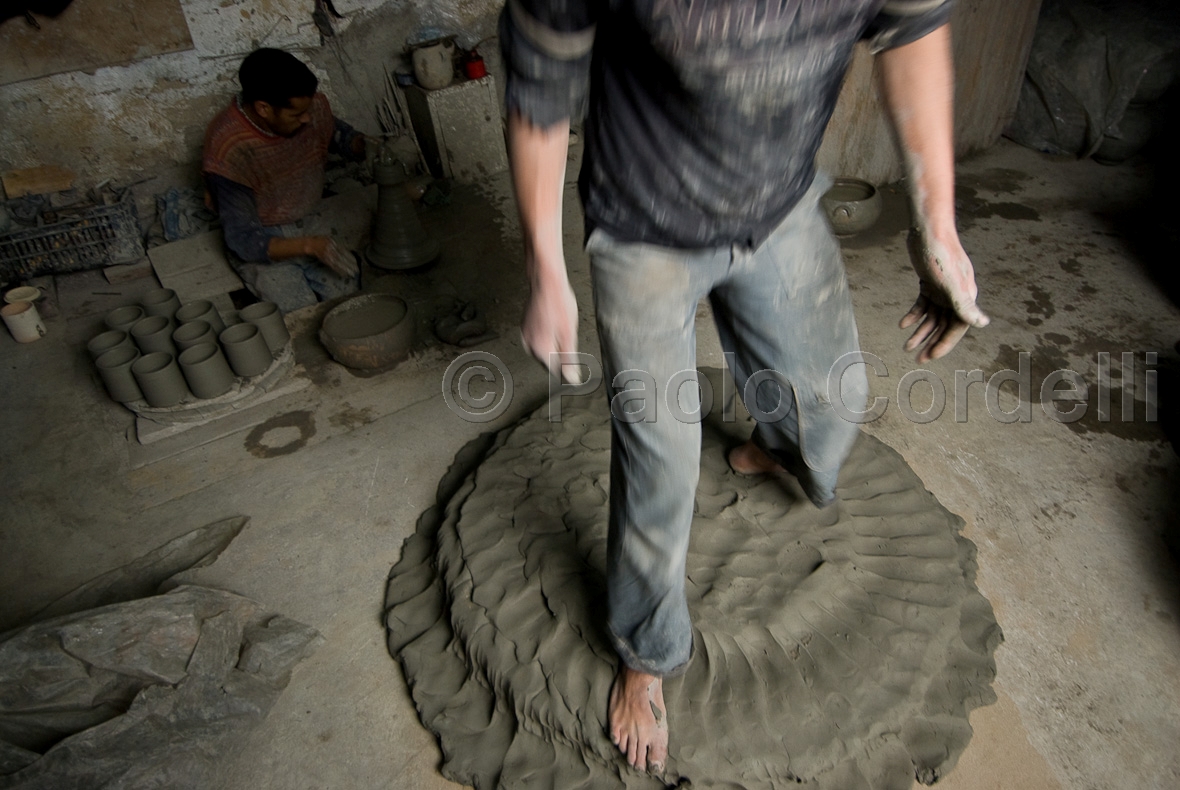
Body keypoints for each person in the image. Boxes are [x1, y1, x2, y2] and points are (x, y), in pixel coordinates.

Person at [500, 0, 989, 776]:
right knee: (661, 463)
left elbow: (913, 31)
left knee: (833, 403)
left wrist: (939, 227)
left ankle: (775, 446)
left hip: (779, 203)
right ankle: (646, 654)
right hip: (642, 224)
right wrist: (545, 269)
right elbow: (538, 88)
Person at [202, 47, 364, 313]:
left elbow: (340, 137)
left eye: (308, 110)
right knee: (302, 313)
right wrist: (310, 246)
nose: (308, 119)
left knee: (350, 302)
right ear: (263, 109)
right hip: (264, 240)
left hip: (309, 220)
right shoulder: (229, 148)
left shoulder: (306, 107)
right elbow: (243, 238)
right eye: (297, 115)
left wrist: (369, 146)